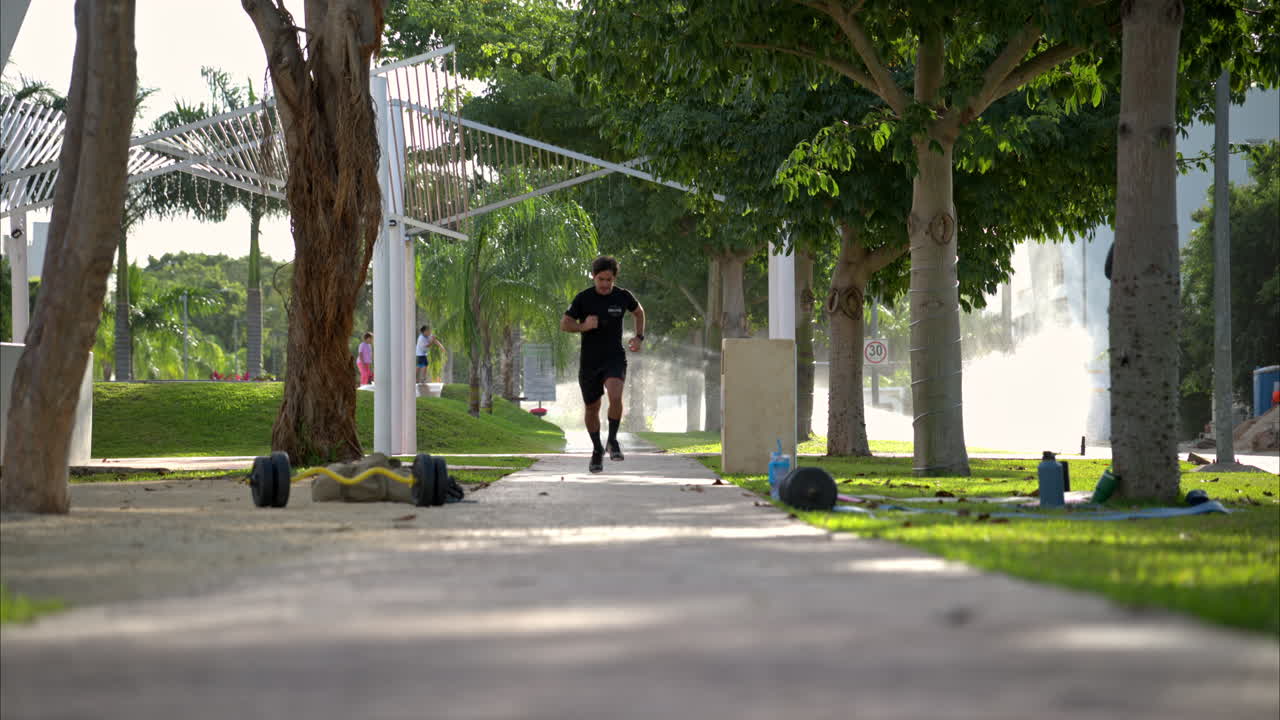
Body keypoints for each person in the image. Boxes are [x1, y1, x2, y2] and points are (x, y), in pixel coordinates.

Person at [561, 255, 645, 473]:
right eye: (601, 279)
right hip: (589, 362)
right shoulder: (583, 298)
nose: (605, 284)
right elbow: (565, 323)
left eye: (609, 279)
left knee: (615, 395)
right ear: (593, 277)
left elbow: (639, 312)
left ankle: (613, 440)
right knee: (592, 408)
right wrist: (583, 326)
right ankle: (597, 449)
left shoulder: (623, 296)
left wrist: (639, 337)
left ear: (614, 278)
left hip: (614, 357)